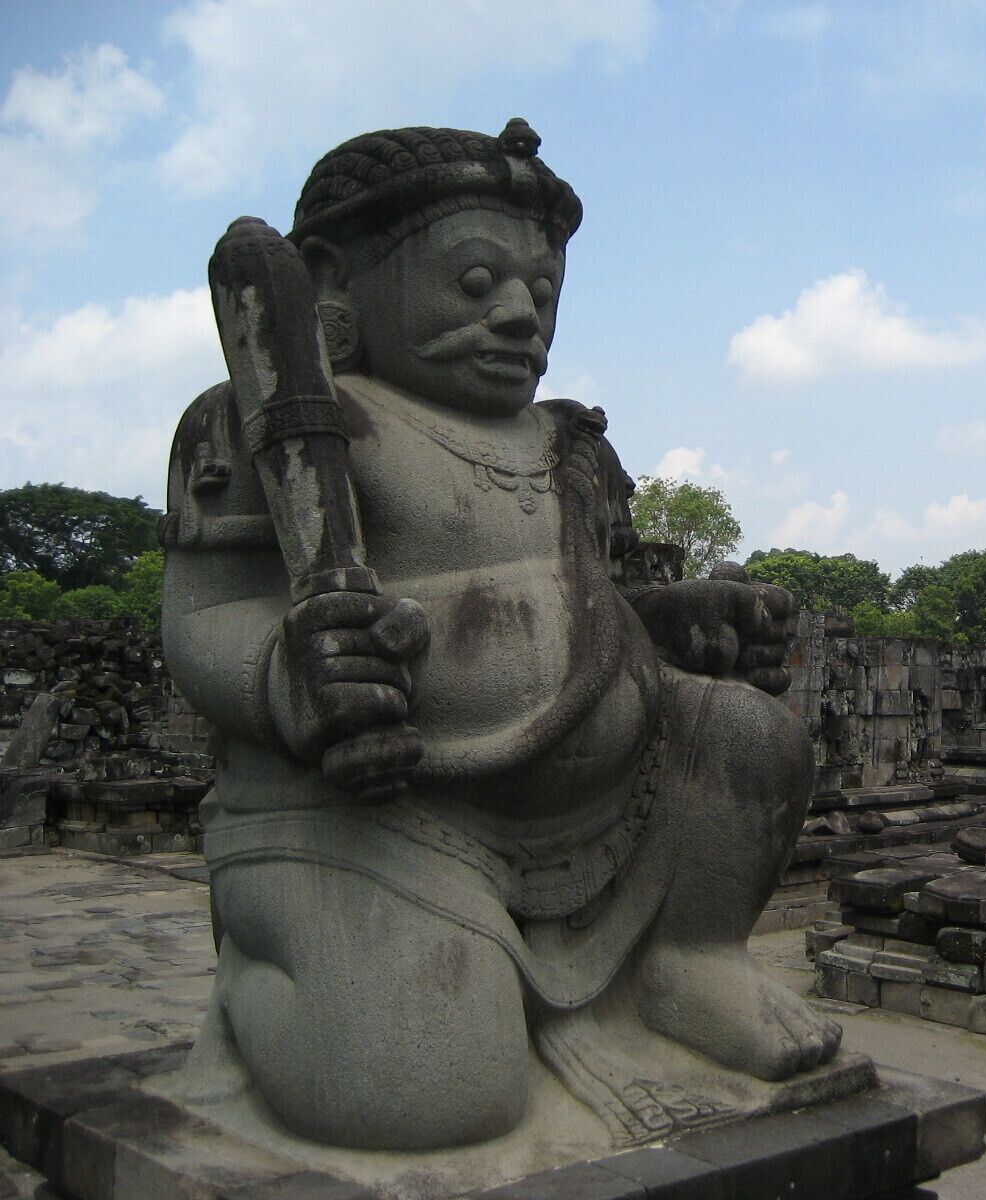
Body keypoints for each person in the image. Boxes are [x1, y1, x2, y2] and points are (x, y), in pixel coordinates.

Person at [161, 119, 840, 1152]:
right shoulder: (273, 423)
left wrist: (677, 622)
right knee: (429, 1094)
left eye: (543, 291)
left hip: (612, 805)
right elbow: (203, 617)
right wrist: (283, 677)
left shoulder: (567, 444)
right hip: (381, 815)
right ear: (333, 281)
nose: (520, 315)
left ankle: (691, 959)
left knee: (748, 736)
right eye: (476, 282)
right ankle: (260, 985)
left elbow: (588, 603)